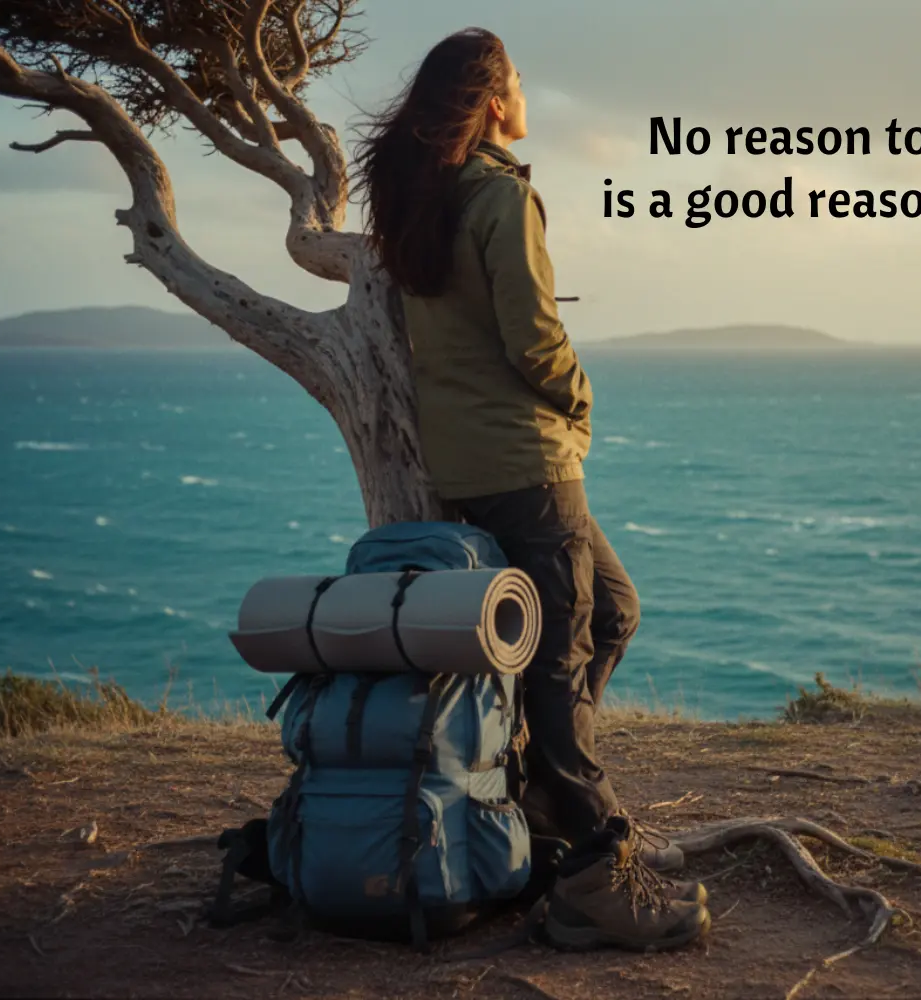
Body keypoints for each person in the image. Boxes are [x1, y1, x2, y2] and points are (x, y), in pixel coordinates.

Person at [352, 28, 709, 950]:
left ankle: (540, 798)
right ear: (493, 98)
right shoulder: (499, 198)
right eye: (516, 79)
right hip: (528, 458)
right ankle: (594, 869)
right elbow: (534, 338)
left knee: (614, 611)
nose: (524, 90)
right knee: (559, 655)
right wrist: (582, 393)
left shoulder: (417, 198)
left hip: (468, 464)